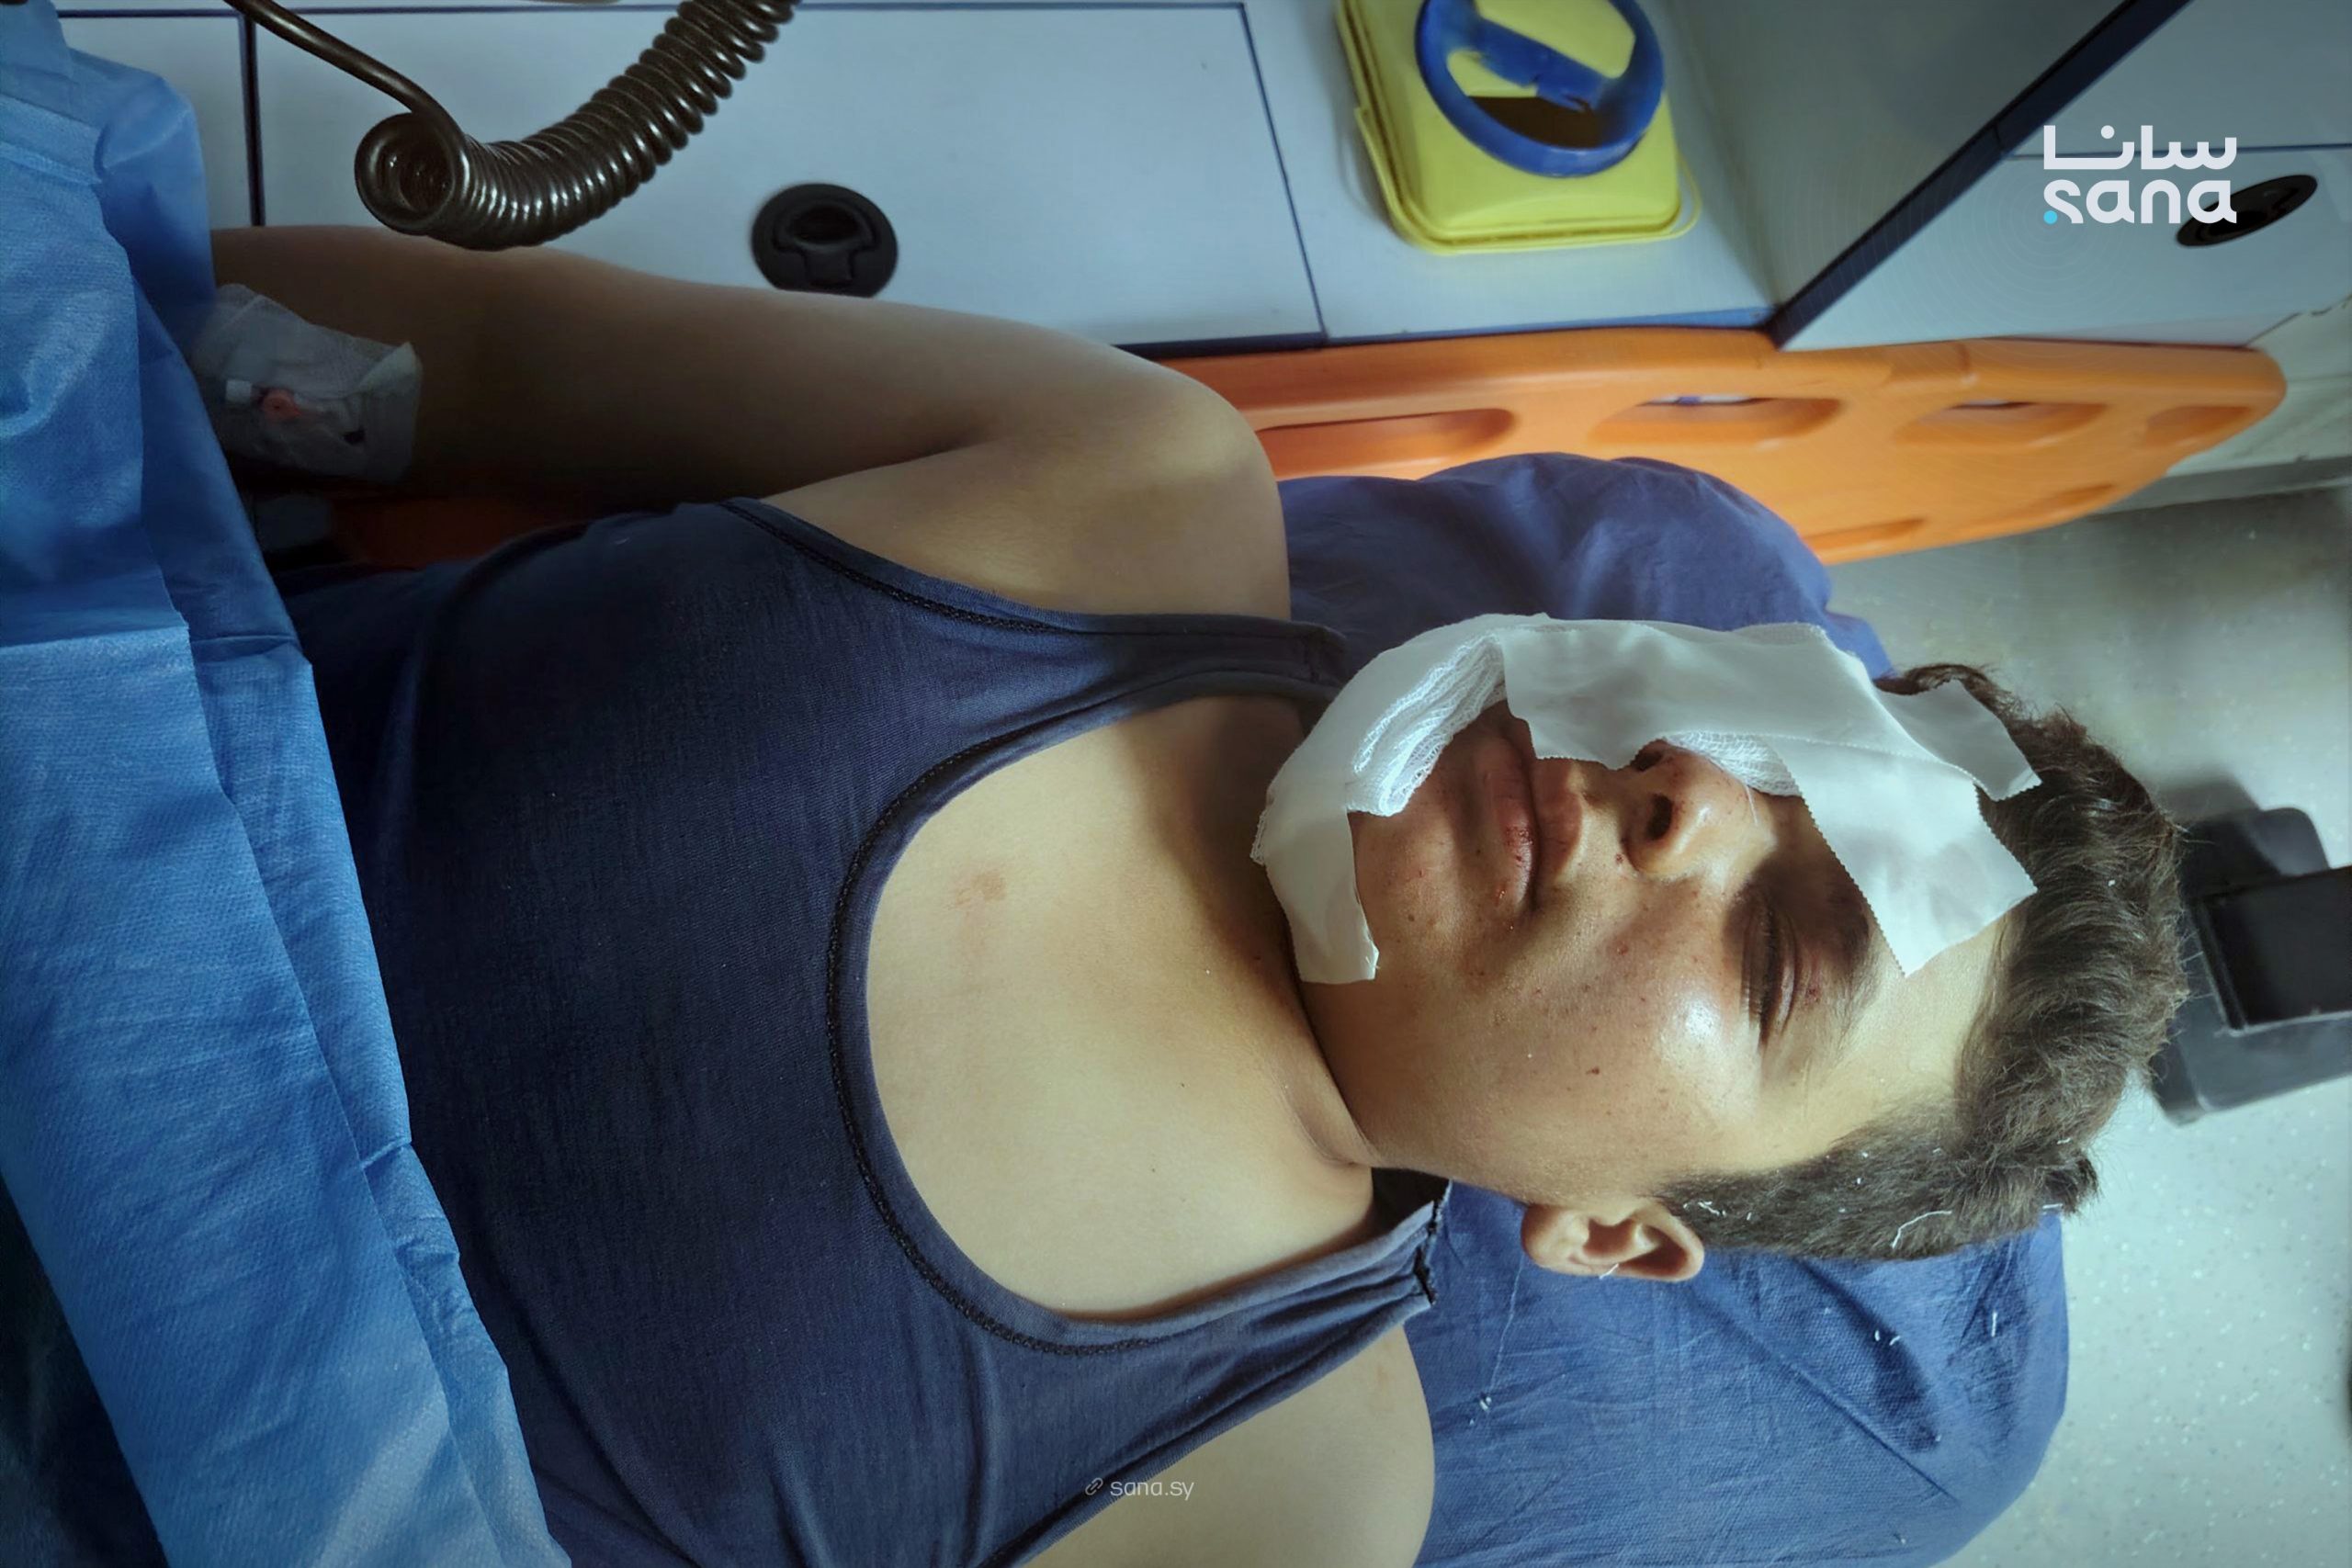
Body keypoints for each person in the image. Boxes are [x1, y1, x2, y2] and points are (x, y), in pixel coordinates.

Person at [216, 226, 2188, 1567]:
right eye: (1784, 740)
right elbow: (464, 358)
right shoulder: (1115, 482)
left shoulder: (1274, 1497)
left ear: (1612, 1233)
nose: (1691, 799)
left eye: (1780, 950)